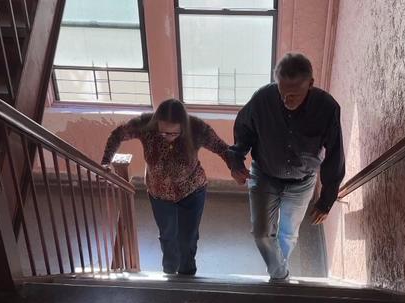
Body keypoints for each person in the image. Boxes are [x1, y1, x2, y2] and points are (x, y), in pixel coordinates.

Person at [228, 52, 345, 281]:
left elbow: (335, 155)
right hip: (264, 175)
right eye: (282, 93)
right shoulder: (262, 99)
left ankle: (277, 271)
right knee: (262, 233)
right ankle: (280, 275)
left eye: (294, 95)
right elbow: (243, 131)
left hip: (302, 182)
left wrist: (327, 199)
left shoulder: (327, 108)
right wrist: (236, 161)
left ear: (310, 84)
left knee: (289, 234)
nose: (286, 101)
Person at [101, 99, 231, 276]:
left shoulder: (197, 128)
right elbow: (117, 134)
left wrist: (236, 168)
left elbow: (222, 148)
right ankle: (169, 275)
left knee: (188, 239)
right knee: (168, 237)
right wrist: (106, 162)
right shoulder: (145, 125)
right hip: (159, 194)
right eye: (163, 133)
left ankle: (187, 274)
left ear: (183, 126)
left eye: (174, 133)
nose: (168, 136)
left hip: (192, 190)